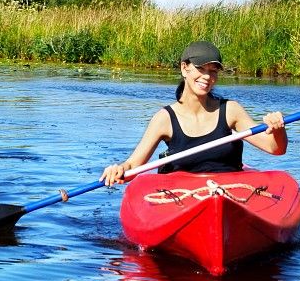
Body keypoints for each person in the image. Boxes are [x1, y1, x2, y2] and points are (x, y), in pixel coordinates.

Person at [100, 41, 287, 186]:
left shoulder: (231, 110)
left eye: (213, 71)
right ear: (184, 68)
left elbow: (275, 149)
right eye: (201, 69)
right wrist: (120, 169)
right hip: (182, 196)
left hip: (228, 190)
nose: (207, 77)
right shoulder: (164, 119)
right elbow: (133, 166)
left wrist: (277, 129)